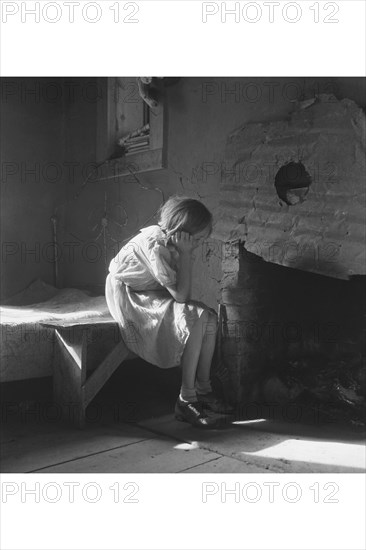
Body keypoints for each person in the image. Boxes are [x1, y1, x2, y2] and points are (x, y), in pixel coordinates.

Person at [105, 195, 232, 428]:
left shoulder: (171, 242)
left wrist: (184, 253)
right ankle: (186, 398)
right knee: (196, 317)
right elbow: (182, 296)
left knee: (209, 317)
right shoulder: (157, 247)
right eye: (199, 238)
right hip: (131, 296)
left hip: (151, 291)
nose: (199, 244)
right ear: (184, 232)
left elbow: (181, 295)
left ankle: (204, 389)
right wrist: (186, 255)